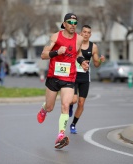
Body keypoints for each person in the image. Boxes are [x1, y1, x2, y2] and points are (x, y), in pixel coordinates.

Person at [37, 13, 89, 149]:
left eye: (75, 22)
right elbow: (43, 55)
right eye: (70, 22)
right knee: (50, 107)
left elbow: (78, 53)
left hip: (69, 77)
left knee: (66, 105)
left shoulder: (79, 38)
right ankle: (44, 109)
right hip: (53, 77)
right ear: (64, 24)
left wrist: (82, 62)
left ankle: (60, 136)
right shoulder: (55, 37)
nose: (73, 25)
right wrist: (56, 52)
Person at [69, 25, 106, 134]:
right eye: (84, 32)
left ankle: (73, 124)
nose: (86, 34)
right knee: (74, 100)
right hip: (73, 75)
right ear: (81, 33)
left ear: (90, 35)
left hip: (85, 77)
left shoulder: (93, 47)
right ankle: (70, 105)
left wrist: (100, 60)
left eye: (88, 32)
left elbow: (96, 64)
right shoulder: (76, 43)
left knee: (81, 103)